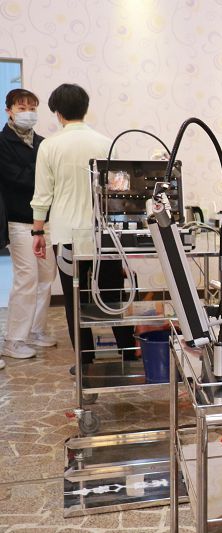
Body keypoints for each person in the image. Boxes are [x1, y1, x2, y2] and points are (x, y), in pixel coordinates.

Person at [30, 83, 135, 368]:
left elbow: (42, 195)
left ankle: (85, 360)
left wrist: (38, 231)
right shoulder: (106, 143)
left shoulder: (49, 146)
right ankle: (128, 352)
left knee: (75, 299)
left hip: (66, 235)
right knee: (113, 295)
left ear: (57, 112)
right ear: (85, 109)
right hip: (104, 234)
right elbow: (119, 192)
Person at [0, 89, 57, 366]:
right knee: (26, 279)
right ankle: (13, 340)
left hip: (44, 220)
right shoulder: (2, 142)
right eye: (22, 108)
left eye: (32, 108)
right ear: (9, 111)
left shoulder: (43, 143)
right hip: (18, 220)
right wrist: (43, 174)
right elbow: (18, 178)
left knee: (47, 275)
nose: (28, 113)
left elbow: (50, 179)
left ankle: (35, 330)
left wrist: (45, 176)